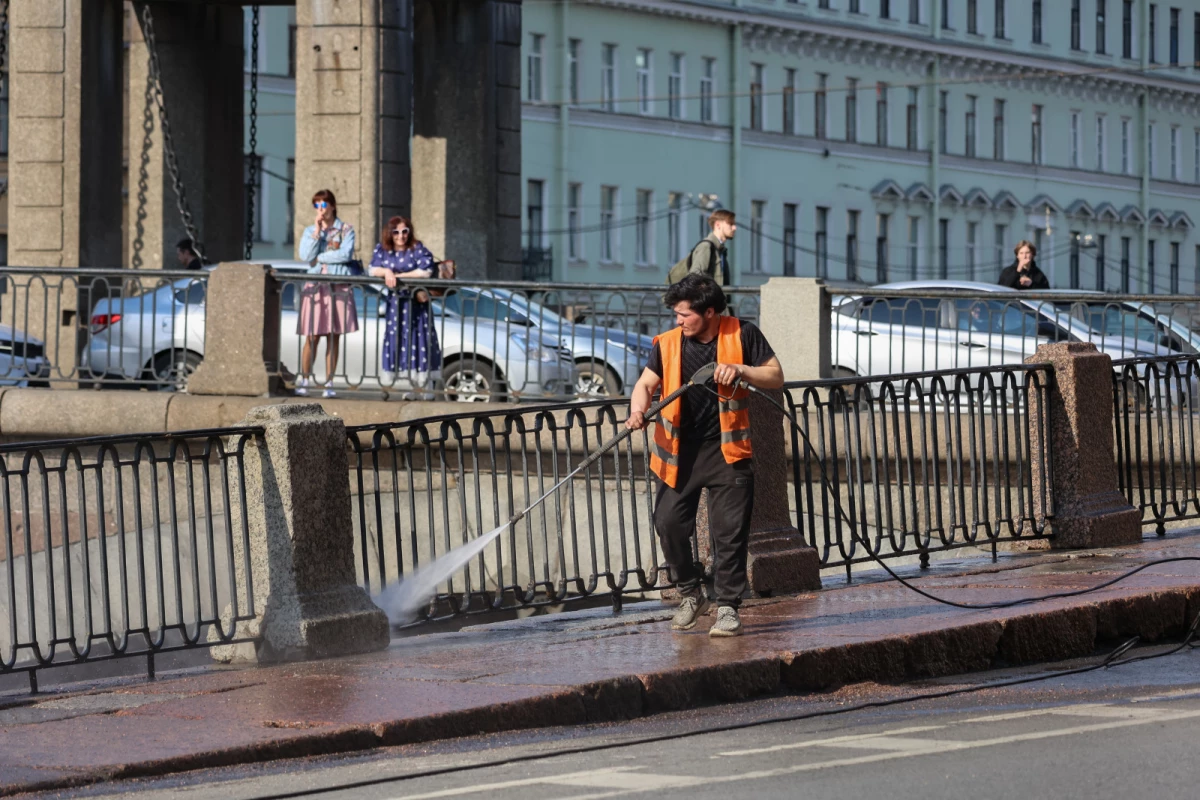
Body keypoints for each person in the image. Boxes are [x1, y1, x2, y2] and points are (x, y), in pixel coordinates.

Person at [626, 273, 784, 637]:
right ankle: (689, 594)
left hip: (727, 451)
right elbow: (645, 385)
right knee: (667, 522)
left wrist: (742, 370)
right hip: (678, 453)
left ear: (709, 311)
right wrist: (638, 410)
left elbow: (775, 376)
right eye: (676, 315)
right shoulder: (666, 344)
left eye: (684, 315)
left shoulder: (743, 333)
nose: (678, 321)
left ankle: (727, 607)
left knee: (729, 534)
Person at [368, 216, 447, 396]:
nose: (401, 236)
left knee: (421, 340)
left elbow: (426, 270)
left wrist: (400, 276)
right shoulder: (383, 250)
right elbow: (372, 269)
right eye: (396, 232)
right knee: (400, 341)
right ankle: (412, 385)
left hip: (417, 303)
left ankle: (426, 387)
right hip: (396, 304)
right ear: (390, 233)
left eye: (405, 231)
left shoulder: (417, 248)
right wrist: (387, 272)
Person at [296, 189, 359, 399]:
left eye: (324, 205)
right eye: (317, 206)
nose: (321, 210)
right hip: (315, 286)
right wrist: (317, 232)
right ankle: (305, 379)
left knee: (334, 336)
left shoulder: (346, 229)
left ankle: (329, 382)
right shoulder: (310, 231)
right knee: (312, 336)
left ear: (332, 205)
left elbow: (345, 255)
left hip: (338, 286)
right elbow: (305, 255)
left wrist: (321, 257)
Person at [668, 209, 737, 286]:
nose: (734, 228)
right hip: (705, 298)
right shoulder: (706, 247)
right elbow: (695, 277)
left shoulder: (720, 250)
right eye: (730, 224)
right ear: (718, 225)